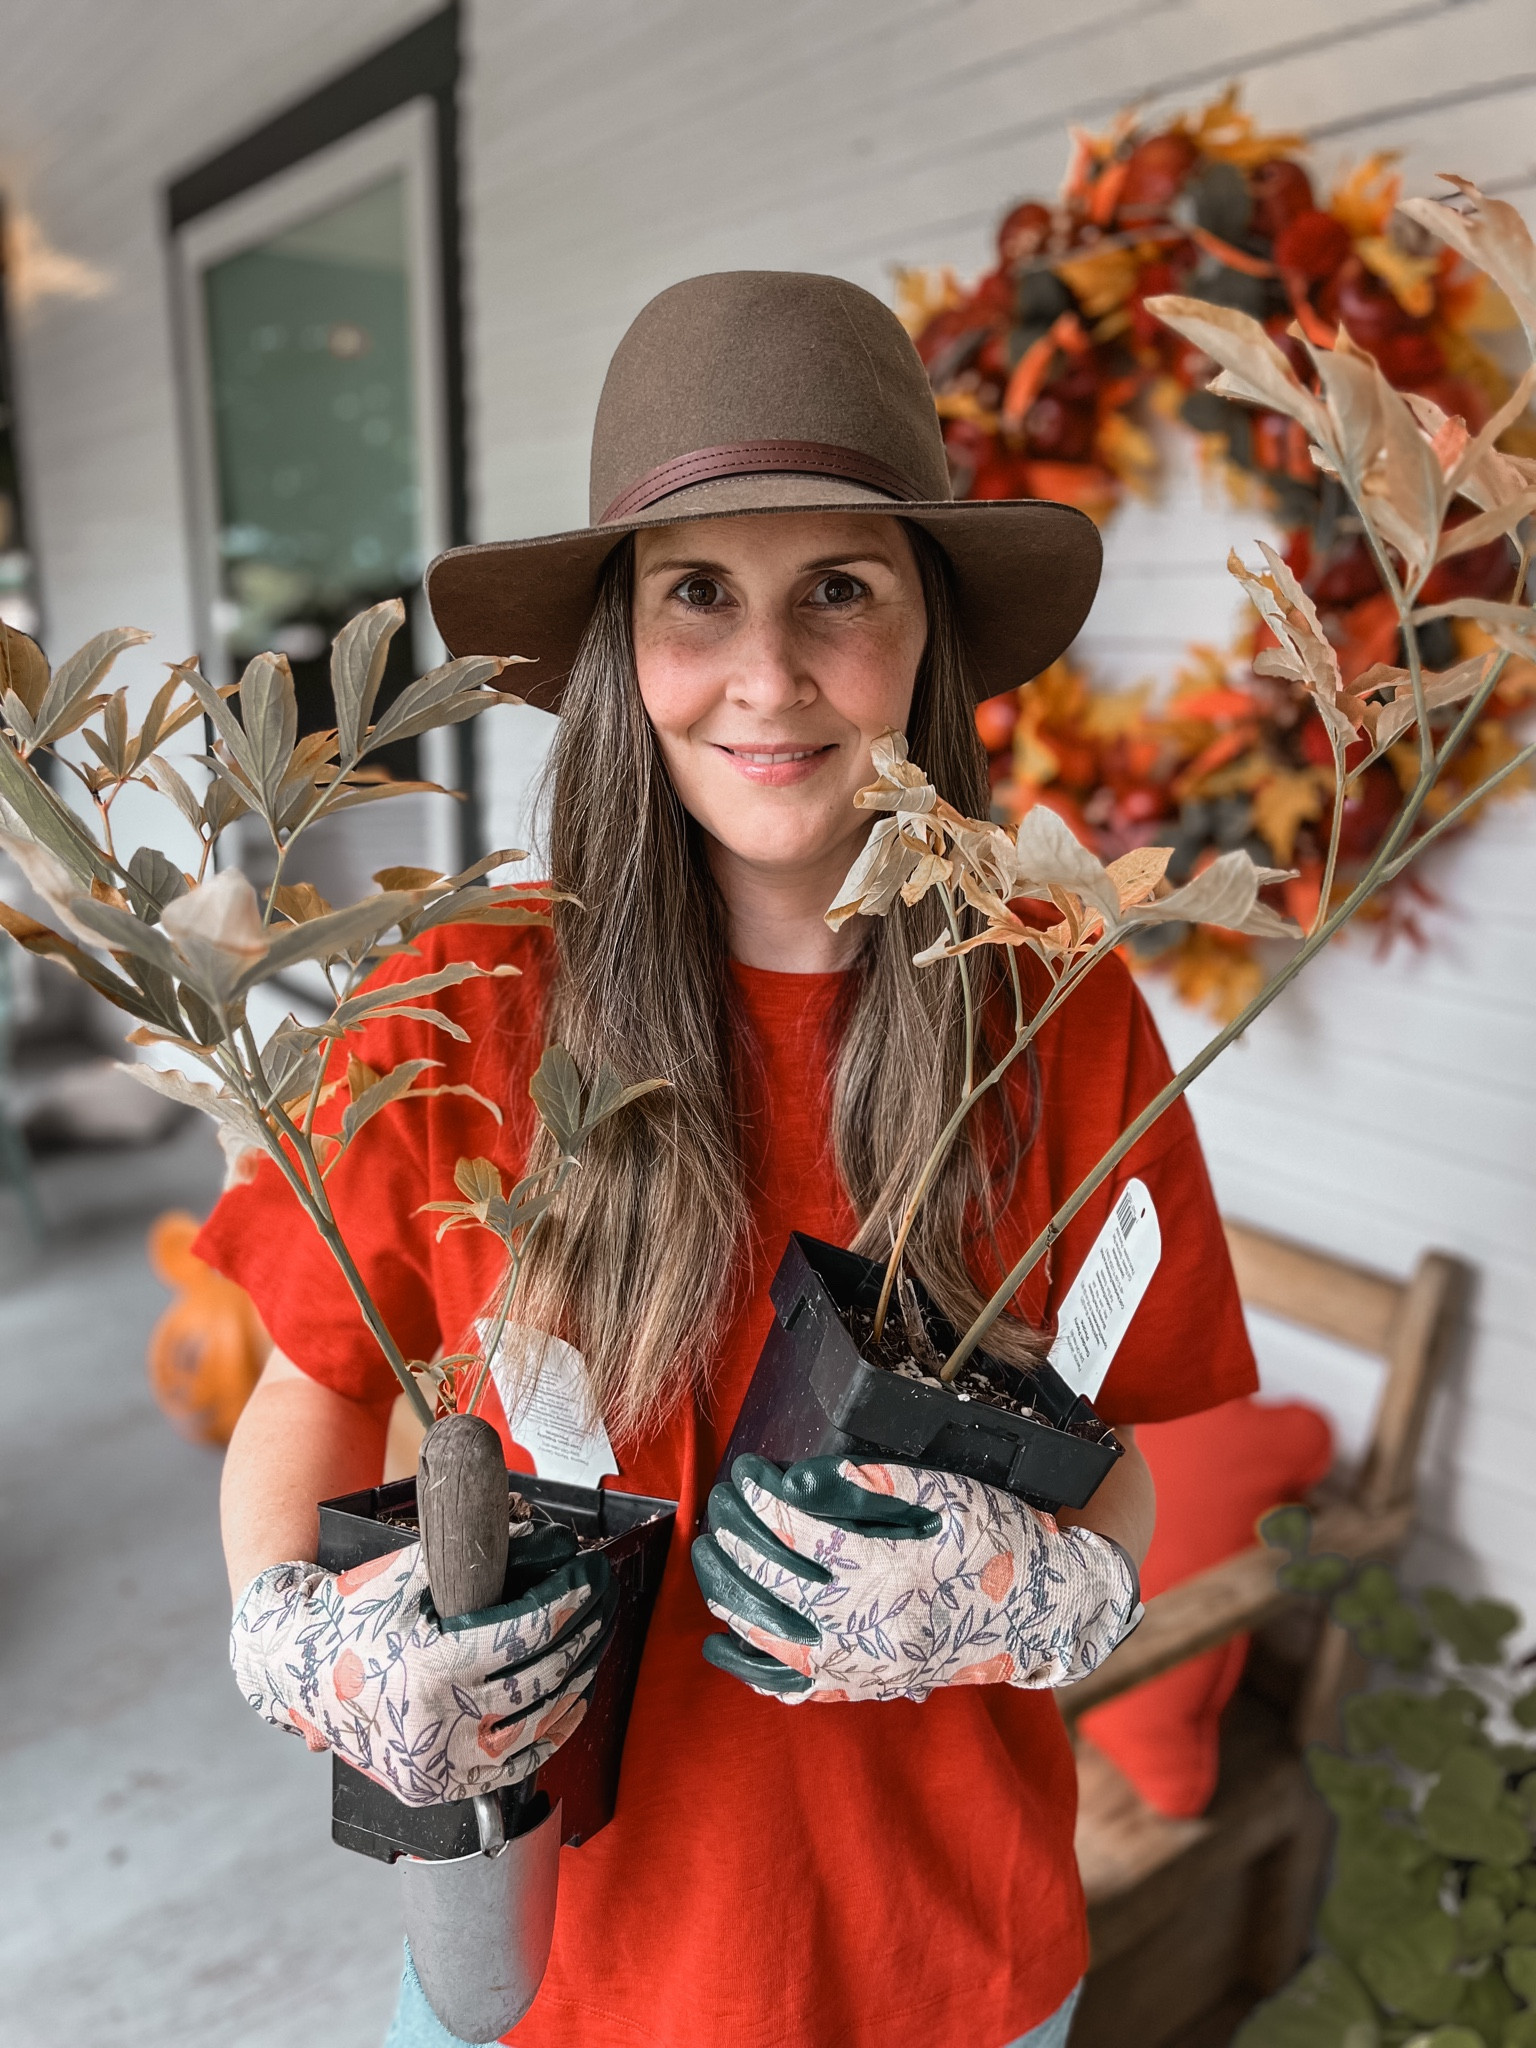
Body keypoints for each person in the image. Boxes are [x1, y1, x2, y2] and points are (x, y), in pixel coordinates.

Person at [207, 271, 1257, 2048]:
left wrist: (1043, 1589)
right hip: (543, 1974)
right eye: (700, 593)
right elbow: (300, 1402)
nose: (768, 676)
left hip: (954, 1971)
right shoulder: (456, 1006)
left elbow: (1121, 1463)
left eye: (838, 588)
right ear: (624, 644)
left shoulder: (1052, 1014)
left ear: (926, 638)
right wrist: (302, 1639)